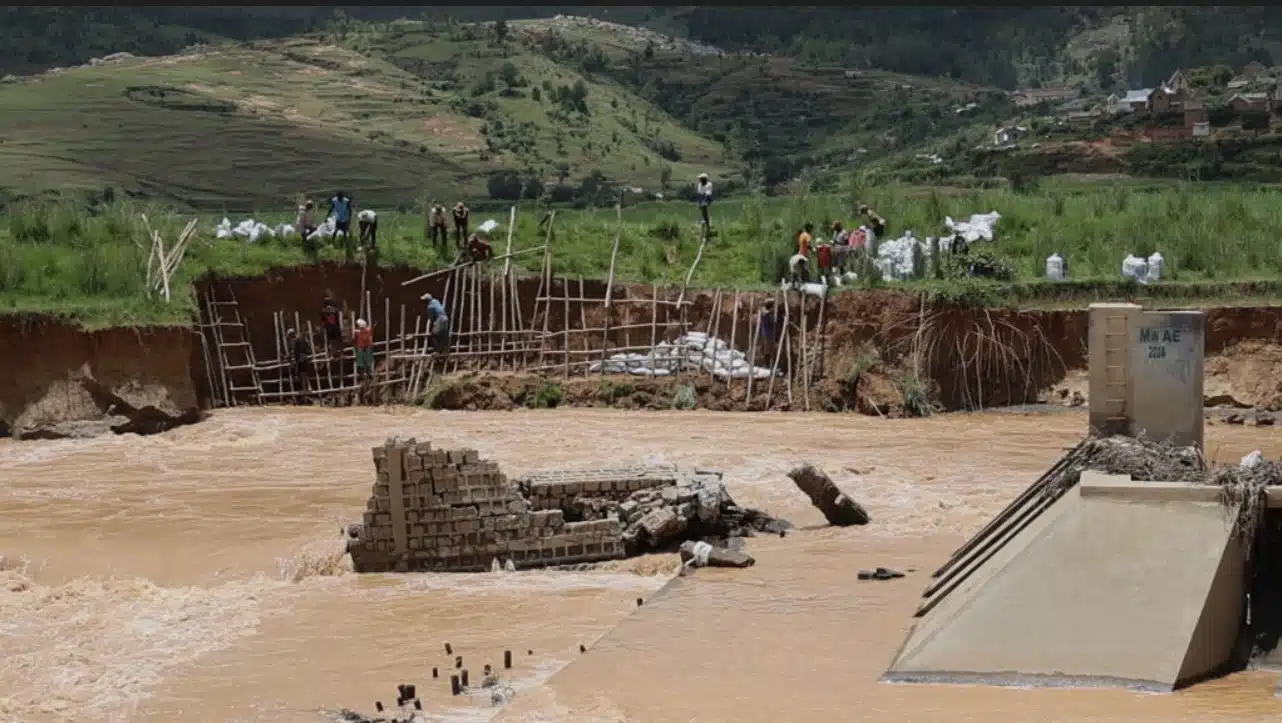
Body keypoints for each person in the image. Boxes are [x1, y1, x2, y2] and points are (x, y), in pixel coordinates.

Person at [287, 328, 312, 397]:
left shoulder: (296, 341)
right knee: (304, 374)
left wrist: (290, 357)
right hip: (304, 357)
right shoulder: (301, 339)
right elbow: (307, 348)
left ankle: (305, 389)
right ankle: (307, 388)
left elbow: (295, 351)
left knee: (302, 374)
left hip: (300, 358)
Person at [329, 191, 355, 261]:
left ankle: (345, 245)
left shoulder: (346, 201)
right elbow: (331, 208)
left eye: (341, 198)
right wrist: (327, 216)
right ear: (337, 197)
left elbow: (350, 210)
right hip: (339, 218)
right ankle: (332, 243)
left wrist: (349, 219)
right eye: (339, 198)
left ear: (343, 197)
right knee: (336, 230)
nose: (339, 199)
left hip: (345, 219)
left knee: (344, 232)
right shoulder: (334, 200)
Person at [320, 293, 342, 357]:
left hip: (329, 329)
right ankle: (340, 352)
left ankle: (333, 353)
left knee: (331, 341)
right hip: (335, 327)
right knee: (338, 340)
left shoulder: (323, 311)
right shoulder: (335, 310)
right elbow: (337, 320)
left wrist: (324, 327)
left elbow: (323, 322)